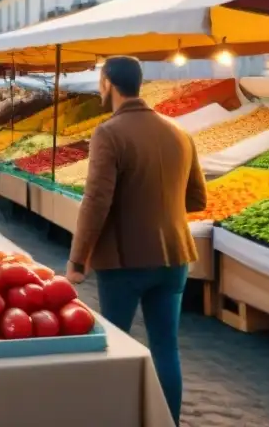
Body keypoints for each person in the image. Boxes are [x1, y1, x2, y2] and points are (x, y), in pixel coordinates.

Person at [66, 56, 207, 425]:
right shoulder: (179, 131)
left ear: (108, 82)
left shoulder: (109, 133)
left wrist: (77, 261)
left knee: (115, 346)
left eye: (100, 79)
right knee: (166, 348)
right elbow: (197, 200)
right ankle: (169, 421)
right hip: (175, 256)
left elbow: (97, 201)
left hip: (124, 260)